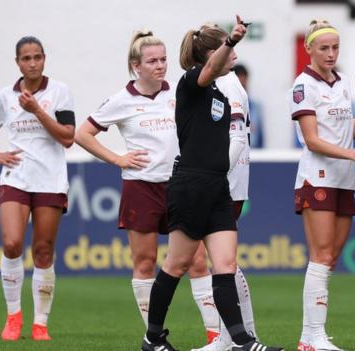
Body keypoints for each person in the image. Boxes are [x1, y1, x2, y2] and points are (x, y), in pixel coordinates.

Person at [140, 16, 283, 351]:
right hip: (191, 184)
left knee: (226, 265)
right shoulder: (191, 82)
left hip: (217, 186)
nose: (232, 55)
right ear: (211, 55)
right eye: (223, 50)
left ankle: (242, 341)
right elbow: (207, 72)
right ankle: (153, 337)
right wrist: (230, 41)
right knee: (176, 265)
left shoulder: (221, 92)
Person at [74, 29, 181, 330]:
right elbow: (82, 134)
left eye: (163, 59)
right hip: (141, 186)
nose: (160, 66)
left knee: (196, 260)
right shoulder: (121, 100)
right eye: (152, 61)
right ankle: (154, 334)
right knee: (145, 262)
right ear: (137, 66)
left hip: (179, 185)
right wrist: (117, 159)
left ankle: (215, 335)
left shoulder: (178, 92)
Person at [290, 19, 355, 351]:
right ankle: (311, 337)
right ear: (309, 49)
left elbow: (349, 128)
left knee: (331, 258)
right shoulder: (303, 85)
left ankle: (313, 335)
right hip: (317, 177)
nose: (331, 54)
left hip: (344, 179)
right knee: (321, 255)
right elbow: (313, 140)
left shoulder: (345, 82)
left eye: (335, 48)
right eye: (324, 48)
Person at [0, 36, 75, 341]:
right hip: (15, 177)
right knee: (12, 243)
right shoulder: (5, 96)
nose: (32, 63)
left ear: (44, 59)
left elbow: (67, 137)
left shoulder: (60, 92)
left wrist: (37, 110)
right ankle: (13, 317)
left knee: (43, 251)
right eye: (26, 58)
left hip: (50, 180)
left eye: (37, 57)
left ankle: (40, 323)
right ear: (17, 62)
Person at [191, 59, 258, 351]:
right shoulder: (221, 83)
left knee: (223, 262)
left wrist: (215, 174)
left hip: (225, 183)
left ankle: (238, 336)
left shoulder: (228, 84)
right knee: (223, 262)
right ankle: (233, 336)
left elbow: (237, 137)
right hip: (224, 180)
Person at [233, 64, 264, 148]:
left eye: (244, 86)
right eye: (239, 87)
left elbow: (260, 138)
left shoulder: (256, 108)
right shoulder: (226, 107)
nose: (242, 90)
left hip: (253, 155)